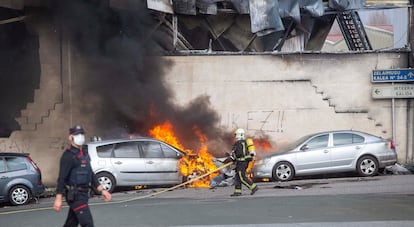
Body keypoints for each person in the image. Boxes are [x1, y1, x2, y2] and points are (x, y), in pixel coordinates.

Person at [53, 125, 111, 227]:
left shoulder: (85, 154)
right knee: (87, 223)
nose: (80, 137)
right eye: (77, 134)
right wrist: (58, 198)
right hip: (75, 195)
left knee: (71, 223)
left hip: (84, 194)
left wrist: (102, 190)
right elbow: (62, 178)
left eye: (81, 134)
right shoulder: (68, 156)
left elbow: (91, 174)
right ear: (70, 137)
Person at [230, 128, 259, 196]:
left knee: (242, 177)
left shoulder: (238, 143)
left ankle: (253, 187)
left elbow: (239, 154)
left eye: (236, 135)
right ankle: (237, 191)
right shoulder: (245, 142)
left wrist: (233, 158)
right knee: (237, 177)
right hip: (244, 162)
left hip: (241, 163)